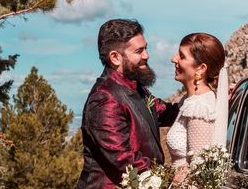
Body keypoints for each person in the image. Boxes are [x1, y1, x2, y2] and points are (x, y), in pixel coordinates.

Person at [77, 19, 180, 189]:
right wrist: (170, 178)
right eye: (139, 51)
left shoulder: (136, 88)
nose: (146, 55)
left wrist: (207, 97)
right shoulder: (104, 98)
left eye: (146, 48)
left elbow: (166, 112)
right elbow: (124, 160)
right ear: (115, 57)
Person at [166, 32, 228, 171]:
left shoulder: (199, 107)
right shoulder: (189, 101)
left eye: (182, 56)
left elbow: (199, 171)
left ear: (201, 68)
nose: (173, 59)